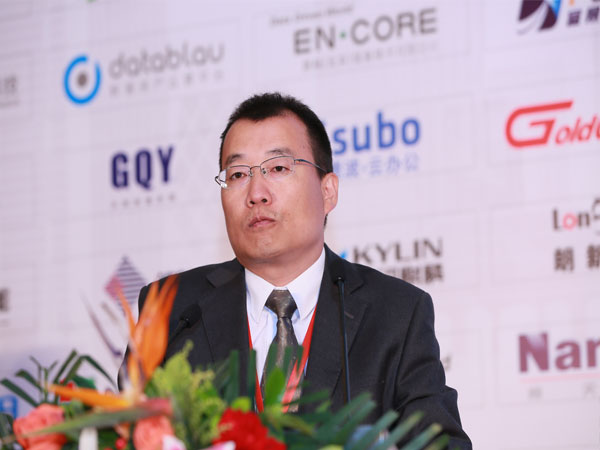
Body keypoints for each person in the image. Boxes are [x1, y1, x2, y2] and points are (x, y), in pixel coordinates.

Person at [135, 92, 471, 448]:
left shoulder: (396, 313)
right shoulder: (173, 311)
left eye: (278, 168)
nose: (256, 193)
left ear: (328, 191)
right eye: (238, 174)